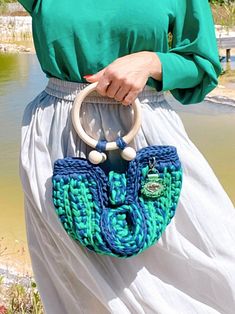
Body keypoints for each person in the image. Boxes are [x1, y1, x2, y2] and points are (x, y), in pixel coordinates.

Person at [18, 0, 235, 313]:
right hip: (58, 141)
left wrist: (151, 62)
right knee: (86, 298)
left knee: (218, 263)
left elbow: (203, 66)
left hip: (148, 137)